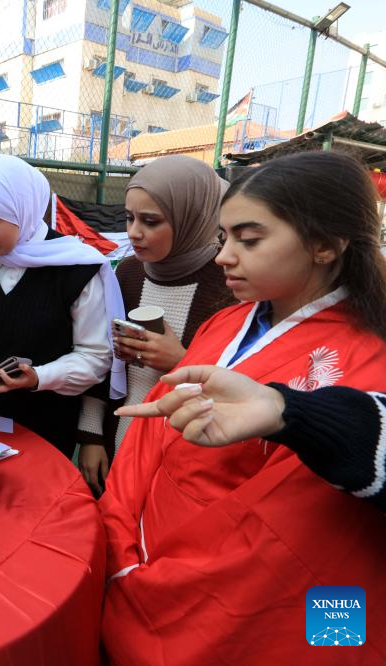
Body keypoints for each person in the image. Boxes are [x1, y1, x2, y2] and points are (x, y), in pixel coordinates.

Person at [99, 152, 386, 665]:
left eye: (248, 240)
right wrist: (119, 537)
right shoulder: (226, 323)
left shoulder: (367, 367)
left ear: (326, 245)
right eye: (223, 239)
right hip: (139, 542)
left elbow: (291, 533)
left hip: (222, 591)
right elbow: (150, 433)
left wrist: (159, 580)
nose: (223, 257)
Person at [0, 154, 124, 457]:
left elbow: (95, 357)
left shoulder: (75, 267)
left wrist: (40, 376)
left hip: (46, 426)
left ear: (22, 211)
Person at [78, 155, 235, 495]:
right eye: (129, 217)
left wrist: (181, 361)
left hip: (182, 459)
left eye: (150, 221)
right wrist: (90, 434)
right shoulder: (128, 272)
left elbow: (243, 386)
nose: (134, 232)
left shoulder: (227, 285)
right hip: (115, 442)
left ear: (190, 218)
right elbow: (104, 357)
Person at [116, 365, 385, 511]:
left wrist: (289, 413)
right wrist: (282, 407)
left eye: (252, 255)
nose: (222, 258)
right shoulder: (226, 317)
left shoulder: (369, 356)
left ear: (324, 257)